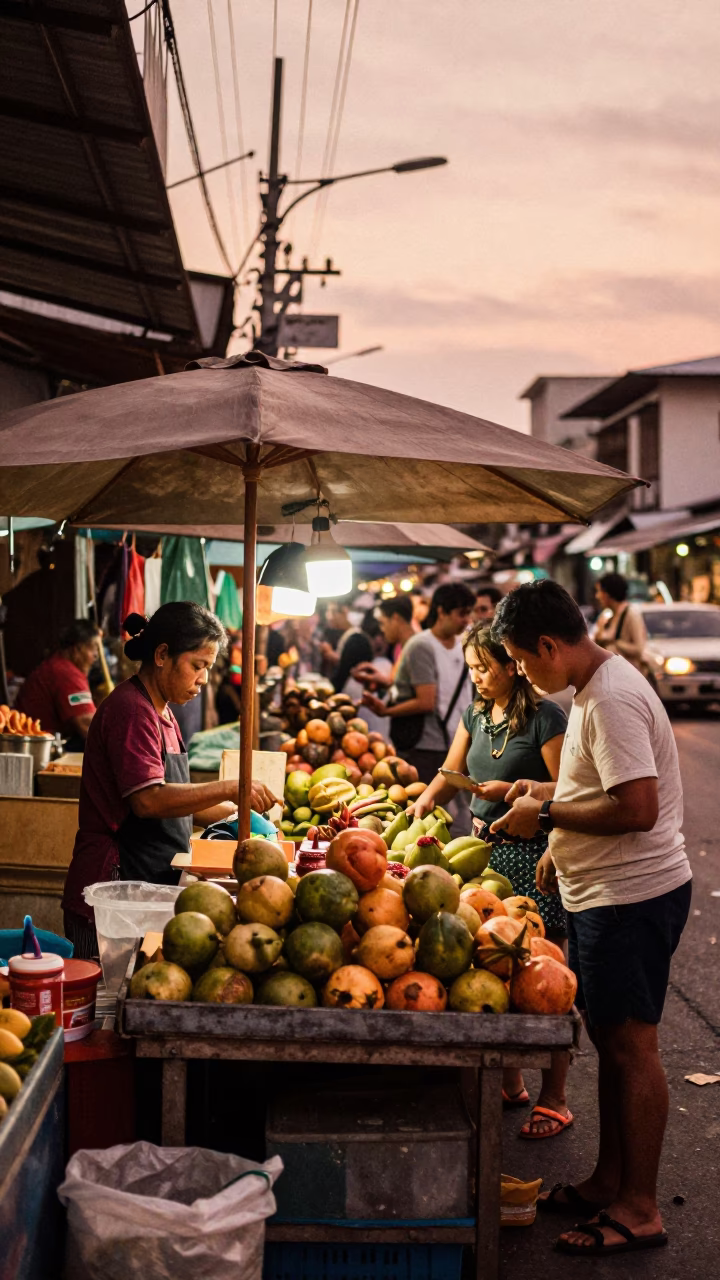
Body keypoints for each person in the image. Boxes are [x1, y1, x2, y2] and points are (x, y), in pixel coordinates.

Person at [489, 580, 691, 1257]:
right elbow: (599, 787)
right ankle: (611, 1180)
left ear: (549, 645)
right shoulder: (590, 691)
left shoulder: (611, 697)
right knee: (609, 1041)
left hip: (632, 897)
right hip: (603, 892)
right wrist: (544, 794)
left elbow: (637, 807)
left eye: (520, 660)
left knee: (633, 1048)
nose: (521, 673)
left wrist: (545, 816)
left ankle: (639, 1209)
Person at [409, 623, 570, 1134]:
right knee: (495, 968)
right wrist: (428, 796)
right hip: (484, 856)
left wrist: (511, 791)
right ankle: (512, 1080)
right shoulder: (476, 712)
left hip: (535, 855)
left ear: (511, 665)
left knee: (544, 977)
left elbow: (565, 788)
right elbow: (451, 769)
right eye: (471, 666)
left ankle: (557, 1096)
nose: (474, 676)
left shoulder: (546, 717)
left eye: (483, 667)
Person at [62, 603, 279, 957]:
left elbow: (178, 807)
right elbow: (148, 801)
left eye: (208, 668)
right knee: (104, 1003)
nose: (204, 679)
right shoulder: (132, 711)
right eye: (198, 666)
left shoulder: (163, 713)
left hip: (144, 889)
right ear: (162, 654)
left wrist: (239, 814)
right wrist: (231, 787)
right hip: (110, 896)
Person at [361, 583, 474, 783]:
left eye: (468, 613)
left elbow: (425, 701)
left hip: (457, 741)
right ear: (441, 611)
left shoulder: (464, 643)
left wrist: (385, 711)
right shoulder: (423, 645)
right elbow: (426, 698)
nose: (466, 620)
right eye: (461, 613)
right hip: (429, 743)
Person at [15, 619, 101, 749]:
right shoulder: (66, 672)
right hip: (40, 746)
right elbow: (87, 724)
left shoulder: (56, 665)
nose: (96, 656)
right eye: (93, 649)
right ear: (77, 649)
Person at [352, 595, 415, 690]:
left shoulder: (417, 648)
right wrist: (378, 678)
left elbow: (423, 700)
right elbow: (402, 688)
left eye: (382, 623)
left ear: (395, 619)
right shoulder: (401, 647)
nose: (382, 629)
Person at [593, 572, 647, 671]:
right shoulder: (610, 615)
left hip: (628, 677)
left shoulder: (631, 614)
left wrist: (615, 643)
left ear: (609, 594)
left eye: (600, 591)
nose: (597, 596)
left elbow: (639, 649)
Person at [319, 602, 373, 692]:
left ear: (344, 612)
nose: (329, 617)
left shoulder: (356, 639)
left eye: (332, 612)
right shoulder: (352, 636)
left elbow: (345, 671)